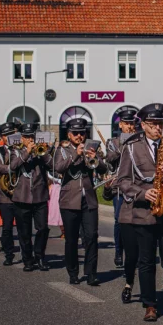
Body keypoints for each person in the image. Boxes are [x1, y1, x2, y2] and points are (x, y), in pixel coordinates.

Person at [114, 103, 163, 325]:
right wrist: (142, 193)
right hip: (144, 212)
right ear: (144, 125)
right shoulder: (132, 147)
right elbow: (123, 181)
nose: (158, 128)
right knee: (146, 261)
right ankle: (150, 304)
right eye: (153, 124)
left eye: (160, 123)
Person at [53, 118, 107, 286]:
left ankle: (91, 274)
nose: (79, 136)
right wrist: (76, 154)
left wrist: (95, 158)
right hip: (69, 200)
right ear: (69, 135)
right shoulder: (62, 150)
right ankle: (73, 272)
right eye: (75, 133)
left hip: (88, 199)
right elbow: (59, 168)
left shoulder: (91, 148)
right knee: (71, 239)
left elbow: (104, 169)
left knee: (91, 236)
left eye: (81, 133)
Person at [9, 123, 51, 272]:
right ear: (22, 138)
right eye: (26, 137)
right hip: (22, 197)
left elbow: (52, 165)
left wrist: (43, 152)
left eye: (31, 137)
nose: (29, 139)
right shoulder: (15, 151)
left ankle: (39, 256)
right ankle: (28, 259)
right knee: (24, 232)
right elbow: (13, 166)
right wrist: (27, 151)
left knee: (43, 229)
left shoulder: (41, 150)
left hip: (40, 197)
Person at [105, 110, 140, 268]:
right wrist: (125, 145)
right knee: (119, 220)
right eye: (126, 123)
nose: (129, 126)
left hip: (136, 185)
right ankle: (119, 252)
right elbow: (111, 159)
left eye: (132, 123)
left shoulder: (140, 140)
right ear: (121, 125)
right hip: (119, 187)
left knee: (137, 220)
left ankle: (135, 252)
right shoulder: (112, 142)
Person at [0, 123, 20, 266]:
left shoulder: (21, 149)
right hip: (6, 196)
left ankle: (28, 255)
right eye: (6, 135)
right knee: (7, 227)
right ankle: (9, 254)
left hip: (22, 194)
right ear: (2, 137)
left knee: (24, 227)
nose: (10, 137)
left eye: (12, 134)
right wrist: (14, 166)